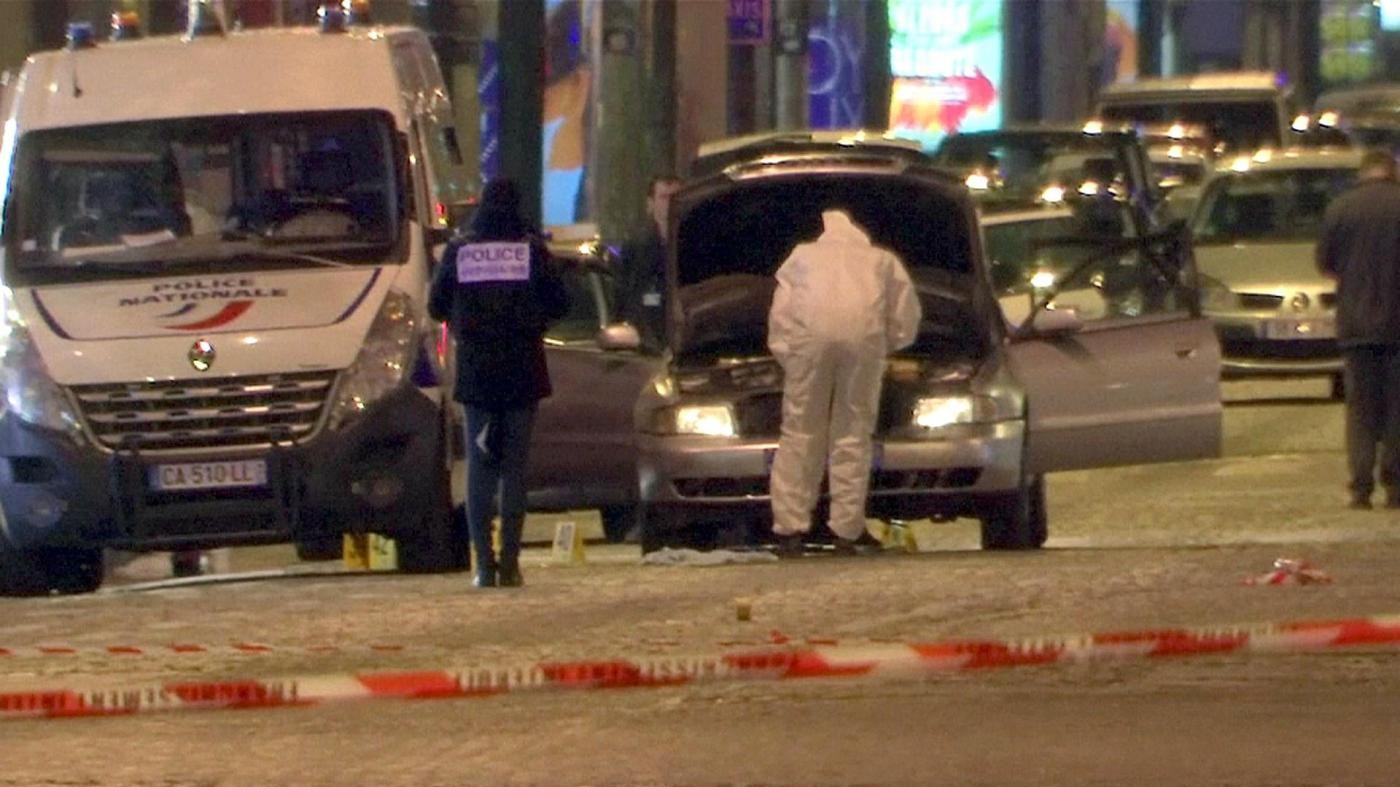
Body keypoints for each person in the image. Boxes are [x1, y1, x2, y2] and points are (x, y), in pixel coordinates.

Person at [429, 179, 570, 586]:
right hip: (523, 371)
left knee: (480, 468)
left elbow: (436, 305)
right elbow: (560, 303)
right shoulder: (531, 250)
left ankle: (483, 566)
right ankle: (510, 563)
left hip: (476, 375)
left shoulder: (461, 250)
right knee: (513, 469)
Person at [767, 208, 922, 556]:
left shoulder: (802, 257)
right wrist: (889, 344)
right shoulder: (881, 260)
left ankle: (790, 529)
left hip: (809, 345)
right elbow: (904, 314)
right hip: (863, 344)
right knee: (852, 431)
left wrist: (788, 355)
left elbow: (782, 311)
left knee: (800, 431)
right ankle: (847, 531)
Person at [1316, 148, 1400, 510]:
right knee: (1398, 407)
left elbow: (1325, 262)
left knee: (1361, 409)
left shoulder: (1341, 209)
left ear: (1363, 174)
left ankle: (1361, 484)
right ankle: (1396, 483)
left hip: (1355, 325)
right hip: (1398, 325)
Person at [618, 174, 681, 349]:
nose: (670, 204)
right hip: (647, 340)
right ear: (650, 204)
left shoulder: (694, 244)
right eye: (663, 197)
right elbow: (627, 296)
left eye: (675, 198)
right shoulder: (637, 246)